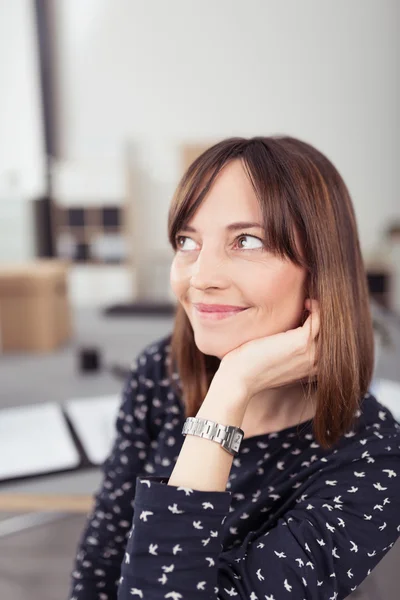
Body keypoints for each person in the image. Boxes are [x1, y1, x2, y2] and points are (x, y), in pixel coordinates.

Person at [69, 136, 400, 600]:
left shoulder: (373, 460)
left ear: (322, 270)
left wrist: (231, 389)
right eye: (187, 241)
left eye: (246, 241)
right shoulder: (159, 375)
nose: (200, 277)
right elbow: (101, 562)